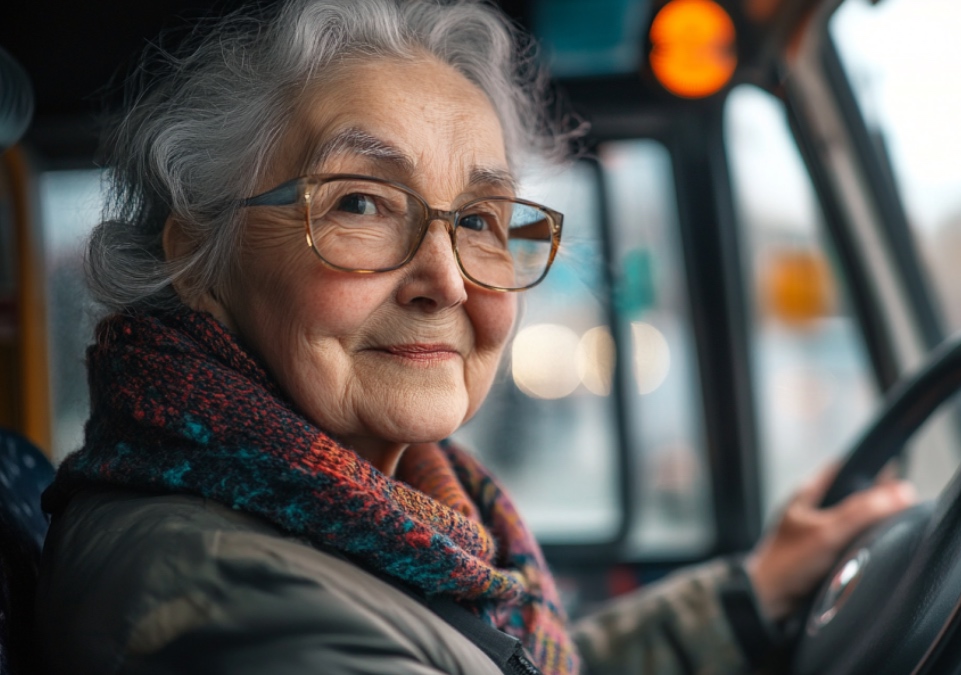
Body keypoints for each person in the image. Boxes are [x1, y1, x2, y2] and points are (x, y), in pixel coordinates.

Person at [33, 1, 915, 673]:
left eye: (485, 220)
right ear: (200, 259)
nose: (449, 279)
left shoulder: (351, 518)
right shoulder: (235, 601)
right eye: (361, 204)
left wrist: (745, 600)